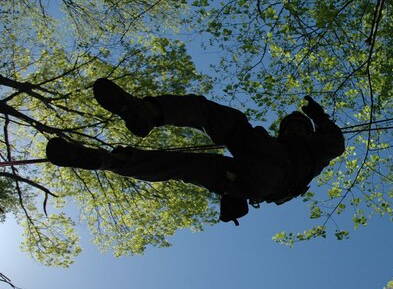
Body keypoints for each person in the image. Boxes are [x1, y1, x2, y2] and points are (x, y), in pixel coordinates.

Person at [46, 78, 345, 224]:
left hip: (272, 172)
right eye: (289, 126)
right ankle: (110, 160)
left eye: (296, 125)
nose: (292, 129)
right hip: (248, 183)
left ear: (306, 131)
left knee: (225, 122)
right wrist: (314, 119)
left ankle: (149, 113)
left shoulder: (316, 150)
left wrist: (317, 115)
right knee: (182, 165)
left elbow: (335, 142)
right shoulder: (303, 149)